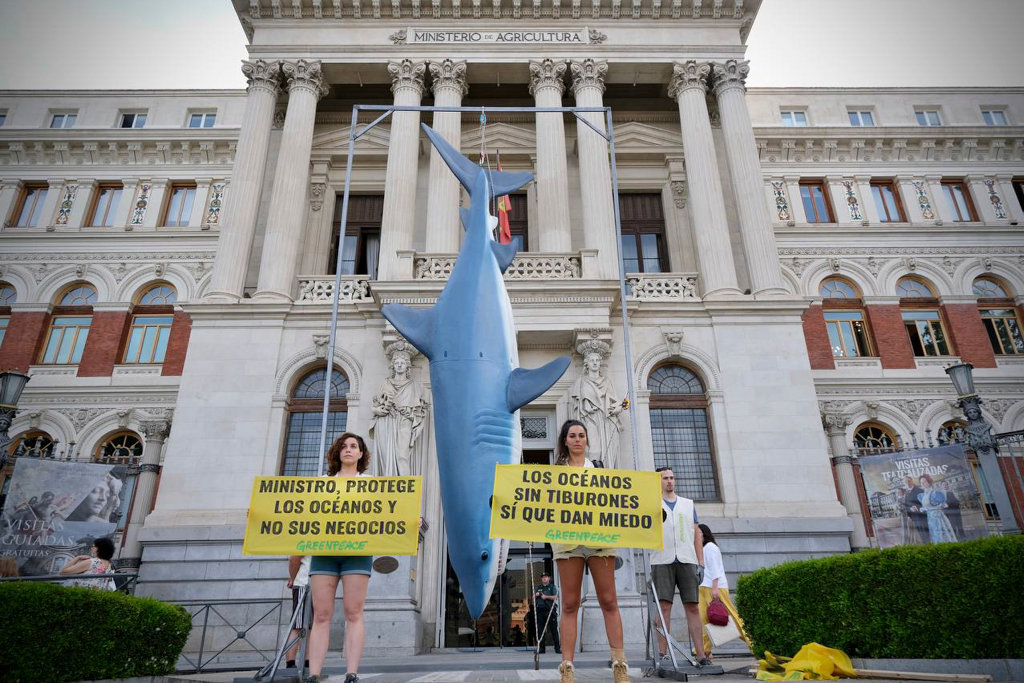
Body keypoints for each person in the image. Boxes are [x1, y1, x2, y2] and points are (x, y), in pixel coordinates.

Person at [550, 419, 630, 683]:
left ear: (586, 440)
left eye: (581, 435)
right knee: (570, 603)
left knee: (609, 601)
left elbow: (619, 499)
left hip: (599, 539)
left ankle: (619, 663)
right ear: (564, 440)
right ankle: (567, 666)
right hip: (568, 540)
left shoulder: (598, 468)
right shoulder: (554, 472)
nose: (577, 439)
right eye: (572, 435)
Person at [306, 432, 374, 683]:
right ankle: (314, 674)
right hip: (324, 553)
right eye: (343, 446)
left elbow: (387, 513)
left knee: (353, 612)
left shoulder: (370, 484)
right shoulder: (322, 483)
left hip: (357, 553)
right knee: (321, 614)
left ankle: (352, 673)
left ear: (361, 454)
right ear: (337, 452)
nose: (348, 450)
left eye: (353, 446)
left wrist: (412, 519)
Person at [650, 467, 709, 667]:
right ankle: (663, 653)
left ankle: (701, 654)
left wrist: (701, 563)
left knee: (692, 606)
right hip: (662, 560)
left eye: (672, 478)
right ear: (658, 481)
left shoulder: (687, 504)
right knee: (664, 607)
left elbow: (697, 533)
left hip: (687, 559)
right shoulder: (652, 503)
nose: (669, 481)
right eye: (665, 478)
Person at [369, 342, 428, 477]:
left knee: (403, 456)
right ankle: (387, 487)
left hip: (404, 421)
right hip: (385, 421)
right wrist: (377, 411)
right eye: (397, 363)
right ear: (393, 366)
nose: (400, 365)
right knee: (385, 455)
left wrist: (413, 416)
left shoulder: (414, 386)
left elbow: (421, 411)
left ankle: (405, 491)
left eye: (402, 362)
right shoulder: (385, 383)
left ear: (408, 365)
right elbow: (375, 406)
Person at [696, 524, 753, 658]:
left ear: (704, 534)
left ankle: (754, 644)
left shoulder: (710, 547)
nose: (695, 536)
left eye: (697, 533)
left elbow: (715, 568)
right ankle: (704, 651)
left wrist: (715, 587)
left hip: (715, 588)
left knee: (733, 618)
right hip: (703, 587)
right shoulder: (702, 549)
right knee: (703, 620)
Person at [569, 342, 624, 469]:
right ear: (586, 363)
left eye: (597, 360)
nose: (595, 363)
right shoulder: (581, 381)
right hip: (589, 419)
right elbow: (578, 408)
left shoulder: (607, 381)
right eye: (592, 360)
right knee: (593, 449)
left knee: (606, 451)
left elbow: (614, 402)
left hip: (606, 421)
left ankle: (605, 474)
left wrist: (618, 407)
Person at [285, 555, 312, 670]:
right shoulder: (304, 537)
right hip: (304, 583)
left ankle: (307, 662)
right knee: (298, 625)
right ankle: (291, 663)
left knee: (309, 625)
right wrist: (293, 578)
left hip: (312, 583)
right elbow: (294, 557)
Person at [915, 474, 957, 544]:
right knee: (934, 535)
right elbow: (926, 506)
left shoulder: (935, 493)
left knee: (941, 534)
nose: (923, 484)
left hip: (938, 518)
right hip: (930, 519)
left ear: (929, 482)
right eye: (921, 482)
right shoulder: (922, 495)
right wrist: (921, 509)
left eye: (924, 482)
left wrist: (933, 508)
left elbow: (943, 505)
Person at [533, 570, 561, 654]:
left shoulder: (552, 587)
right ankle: (541, 649)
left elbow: (556, 597)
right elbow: (533, 597)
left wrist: (546, 597)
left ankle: (557, 648)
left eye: (545, 577)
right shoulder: (539, 587)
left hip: (550, 610)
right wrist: (536, 594)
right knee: (540, 630)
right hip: (540, 610)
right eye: (543, 578)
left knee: (554, 630)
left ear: (549, 578)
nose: (544, 579)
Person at [901, 476, 927, 545]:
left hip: (922, 517)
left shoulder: (919, 490)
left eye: (909, 481)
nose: (908, 483)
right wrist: (909, 509)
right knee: (920, 537)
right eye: (906, 482)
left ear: (912, 481)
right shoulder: (906, 493)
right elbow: (906, 506)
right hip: (913, 518)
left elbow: (925, 503)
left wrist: (917, 507)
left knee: (925, 535)